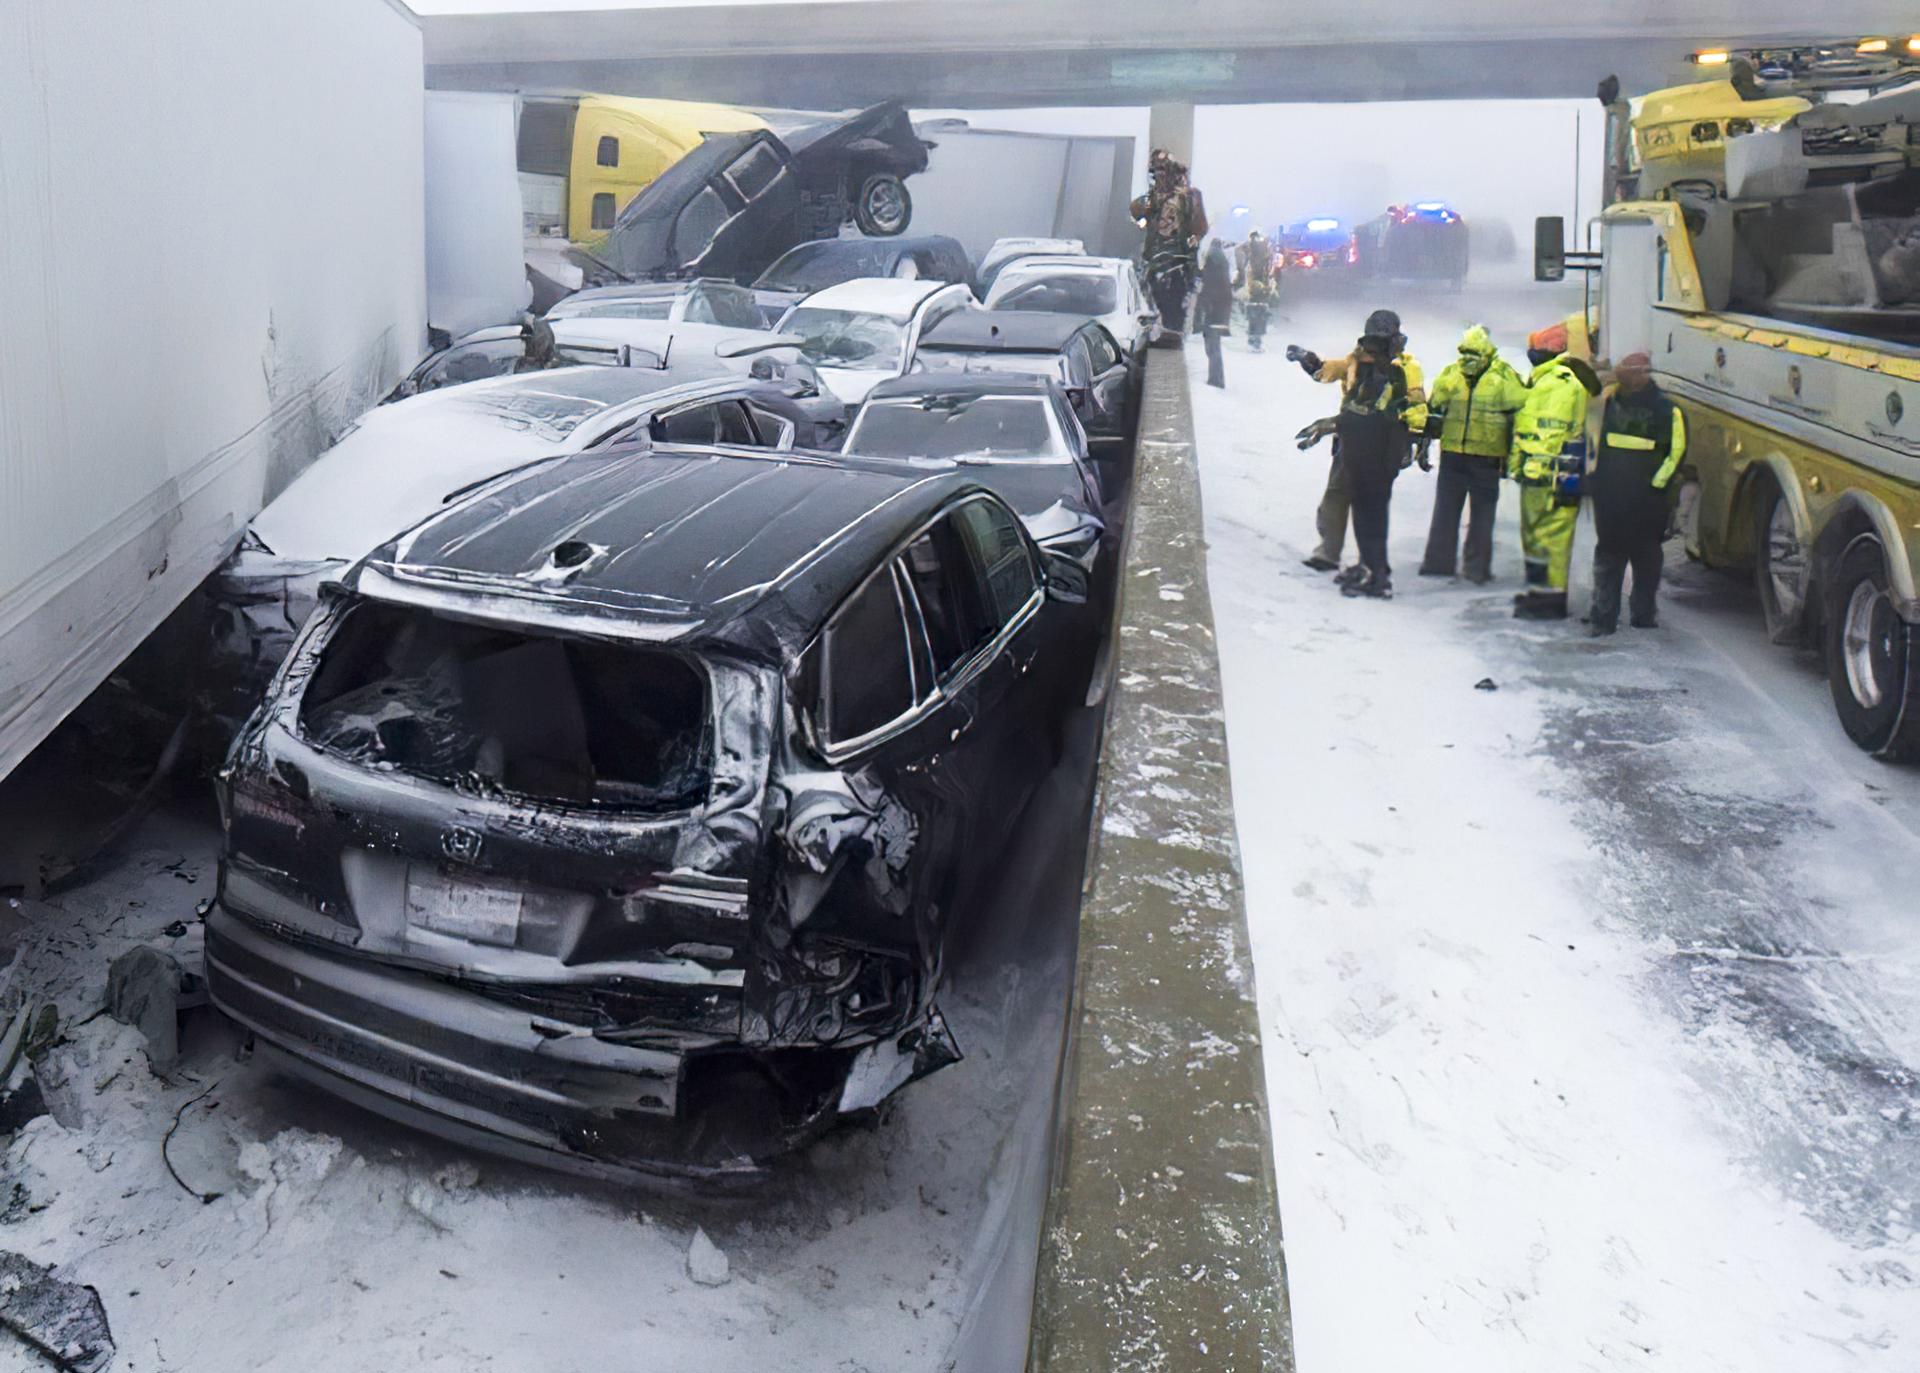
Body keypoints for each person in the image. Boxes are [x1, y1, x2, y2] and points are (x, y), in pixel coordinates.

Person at [1288, 310, 1425, 574]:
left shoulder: (1406, 367)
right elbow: (1329, 371)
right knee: (1336, 495)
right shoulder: (1356, 359)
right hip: (1350, 439)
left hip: (1382, 443)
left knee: (1369, 503)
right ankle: (1328, 552)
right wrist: (1310, 361)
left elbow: (1415, 407)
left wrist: (1412, 441)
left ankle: (1370, 563)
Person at [1417, 324, 1530, 583]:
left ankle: (1438, 563)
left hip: (1453, 453)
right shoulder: (1503, 377)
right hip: (1487, 457)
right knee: (1482, 514)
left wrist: (1424, 446)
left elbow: (1434, 411)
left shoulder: (1451, 374)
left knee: (1445, 511)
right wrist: (1515, 455)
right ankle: (1476, 567)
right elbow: (1519, 411)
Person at [1509, 324, 1602, 619]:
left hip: (1554, 476)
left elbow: (1548, 434)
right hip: (1537, 474)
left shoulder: (1561, 383)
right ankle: (1538, 593)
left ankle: (1551, 601)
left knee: (1555, 541)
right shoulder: (1543, 380)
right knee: (1534, 539)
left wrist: (1532, 466)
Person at [1588, 352, 1685, 634]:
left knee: (1644, 558)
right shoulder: (1607, 404)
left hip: (1646, 501)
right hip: (1613, 497)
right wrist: (1595, 481)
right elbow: (1593, 445)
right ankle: (1604, 617)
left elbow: (1675, 453)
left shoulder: (1668, 411)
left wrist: (1655, 487)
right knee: (1611, 555)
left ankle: (1640, 614)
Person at [1131, 149, 1208, 337]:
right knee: (1151, 301)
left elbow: (1200, 227)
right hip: (1154, 259)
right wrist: (1142, 221)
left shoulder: (1190, 196)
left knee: (1174, 310)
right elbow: (1137, 214)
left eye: (1163, 170)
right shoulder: (1151, 198)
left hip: (1178, 261)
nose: (1159, 175)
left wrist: (1192, 241)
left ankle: (1172, 338)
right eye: (1156, 171)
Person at [1198, 239, 1233, 388]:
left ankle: (1216, 380)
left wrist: (1205, 306)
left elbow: (1207, 289)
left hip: (1214, 312)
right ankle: (1216, 378)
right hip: (1220, 312)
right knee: (1214, 346)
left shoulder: (1212, 268)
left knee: (1212, 347)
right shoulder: (1222, 267)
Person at [1243, 228, 1275, 353]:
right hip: (1259, 291)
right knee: (1259, 316)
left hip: (1255, 292)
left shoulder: (1251, 255)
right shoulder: (1261, 256)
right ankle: (1255, 339)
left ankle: (1254, 338)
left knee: (1255, 316)